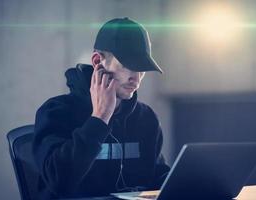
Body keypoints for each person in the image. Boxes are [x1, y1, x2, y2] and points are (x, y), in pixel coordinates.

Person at [32, 17, 170, 199]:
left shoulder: (146, 118)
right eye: (128, 66)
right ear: (98, 61)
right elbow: (59, 182)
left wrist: (186, 182)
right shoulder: (56, 112)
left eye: (142, 69)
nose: (136, 79)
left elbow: (157, 177)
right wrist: (99, 118)